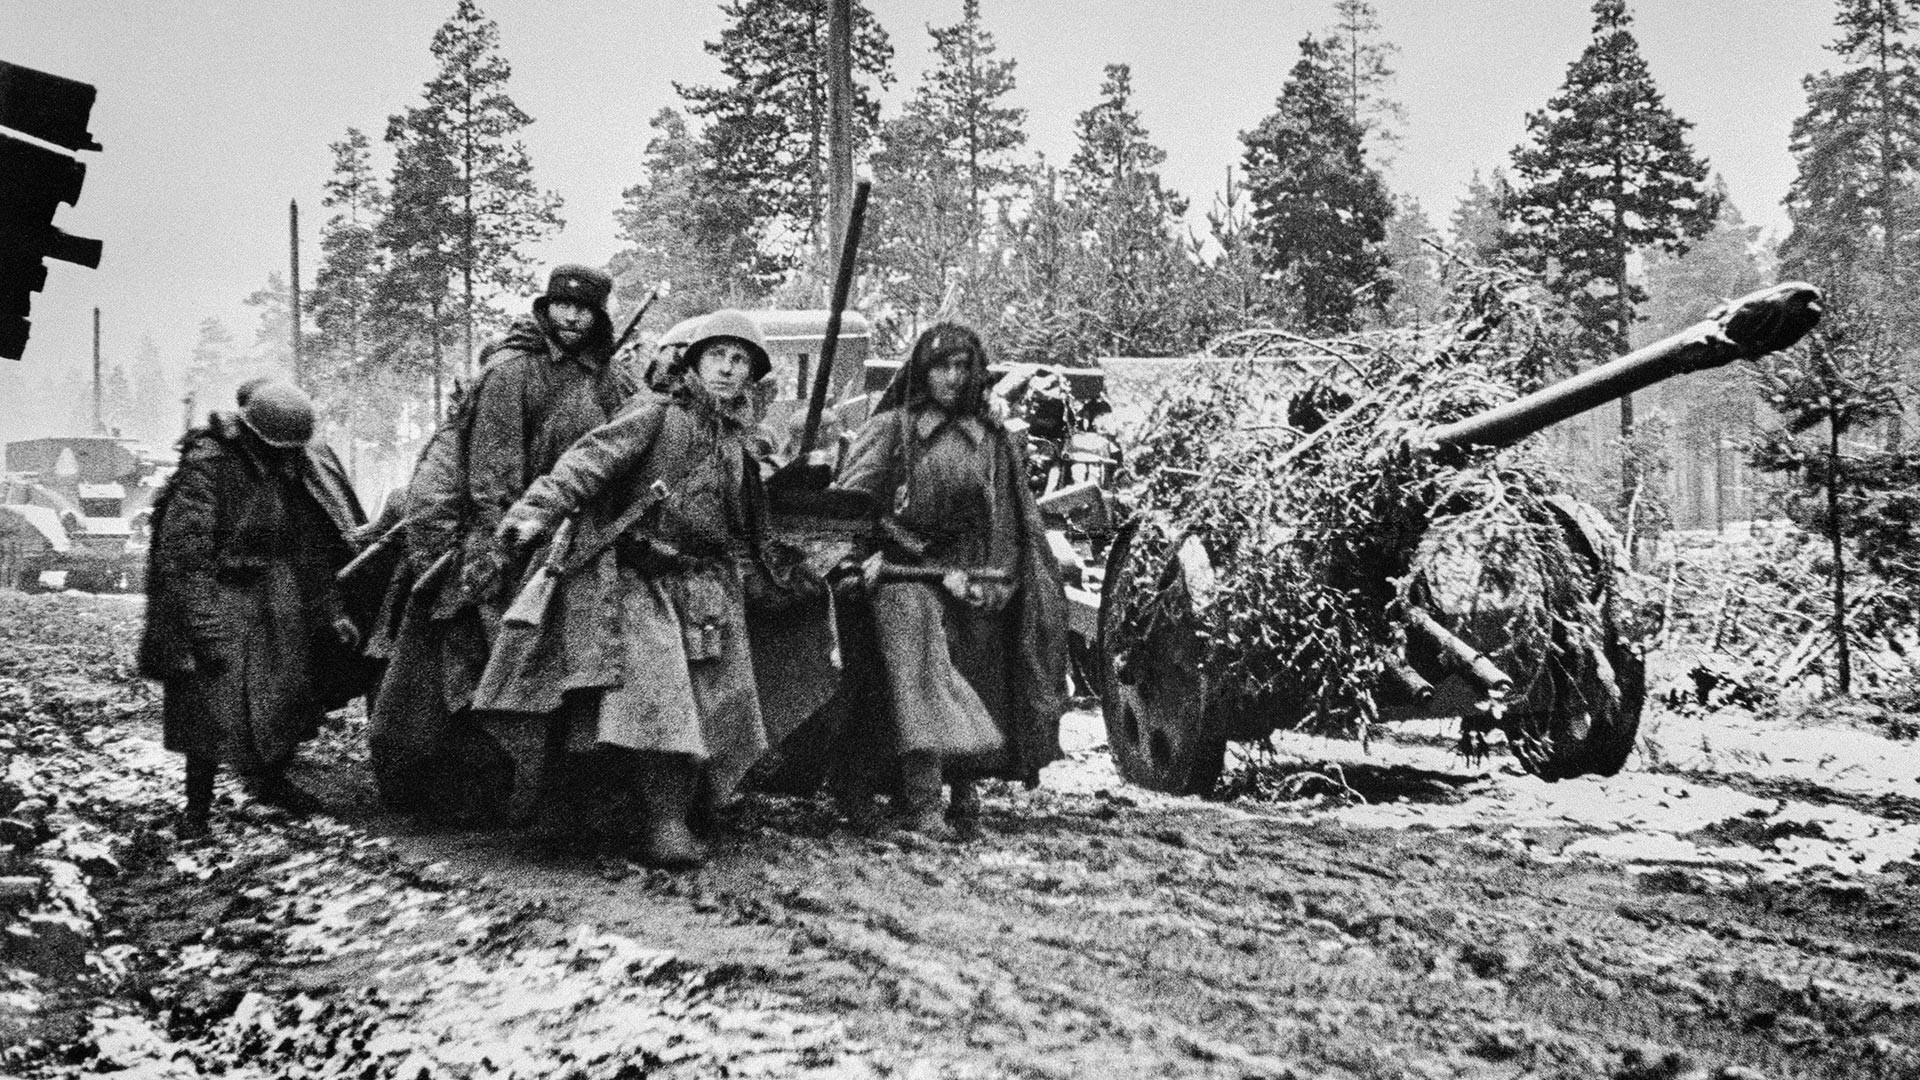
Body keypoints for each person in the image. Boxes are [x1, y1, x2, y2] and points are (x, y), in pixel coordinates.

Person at [477, 310, 787, 868]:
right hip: (641, 581)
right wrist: (532, 513)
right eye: (717, 355)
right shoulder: (654, 413)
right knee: (661, 707)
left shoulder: (741, 440)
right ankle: (662, 825)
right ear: (691, 360)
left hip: (708, 587)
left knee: (716, 707)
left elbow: (749, 523)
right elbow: (587, 463)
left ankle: (689, 809)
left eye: (740, 360)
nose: (727, 368)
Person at [364, 264, 637, 820]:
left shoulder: (610, 378)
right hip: (511, 537)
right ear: (546, 306)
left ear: (599, 316)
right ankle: (469, 789)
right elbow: (493, 470)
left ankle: (561, 789)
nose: (571, 317)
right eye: (562, 305)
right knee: (477, 660)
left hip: (579, 540)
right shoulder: (513, 372)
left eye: (583, 310)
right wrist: (501, 544)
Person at [831, 323, 1069, 838]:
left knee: (980, 674)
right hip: (898, 576)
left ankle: (964, 792)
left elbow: (1009, 516)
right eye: (942, 366)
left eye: (965, 368)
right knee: (917, 677)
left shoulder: (991, 439)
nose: (954, 379)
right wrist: (868, 557)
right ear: (921, 370)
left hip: (970, 576)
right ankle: (918, 799)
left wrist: (1001, 580)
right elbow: (849, 508)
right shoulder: (893, 429)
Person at [138, 380, 375, 837]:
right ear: (251, 434)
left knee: (287, 694)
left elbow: (310, 546)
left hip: (278, 593)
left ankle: (271, 780)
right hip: (219, 591)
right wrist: (205, 627)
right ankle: (197, 809)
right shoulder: (207, 467)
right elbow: (184, 557)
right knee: (209, 704)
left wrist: (330, 610)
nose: (285, 456)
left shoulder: (291, 466)